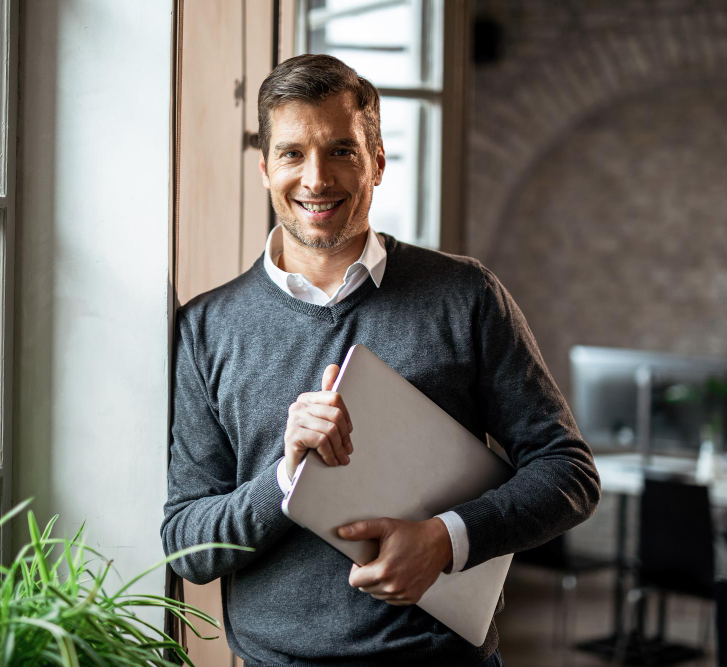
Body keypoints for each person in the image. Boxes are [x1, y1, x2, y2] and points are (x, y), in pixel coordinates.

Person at [160, 54, 600, 666]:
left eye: (341, 150)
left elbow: (569, 474)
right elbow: (187, 548)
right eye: (291, 153)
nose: (315, 178)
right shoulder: (206, 329)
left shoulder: (466, 295)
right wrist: (286, 479)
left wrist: (445, 541)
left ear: (378, 164)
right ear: (265, 169)